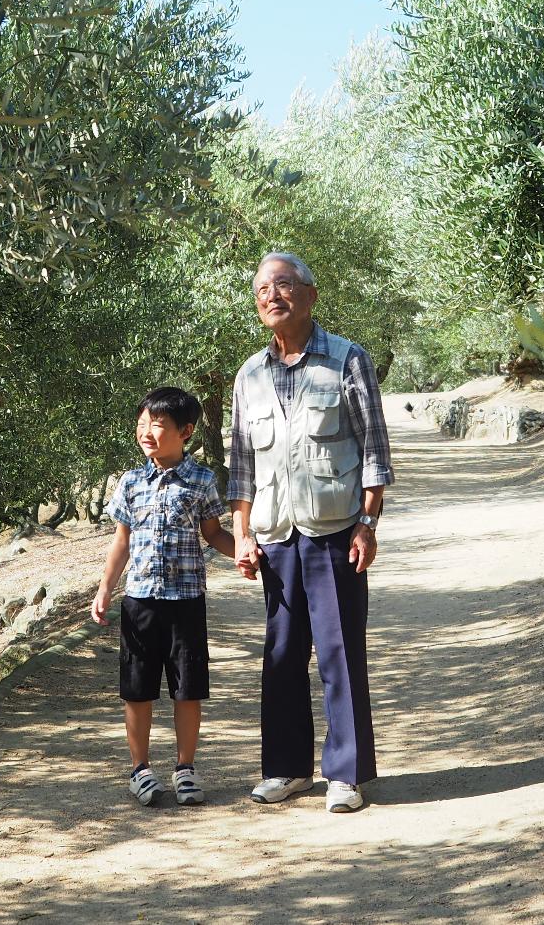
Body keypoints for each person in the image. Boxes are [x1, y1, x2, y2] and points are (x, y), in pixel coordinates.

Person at [226, 251, 392, 813]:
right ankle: (286, 768)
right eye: (263, 289)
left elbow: (374, 449)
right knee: (281, 652)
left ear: (310, 294)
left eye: (285, 285)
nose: (273, 295)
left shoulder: (348, 359)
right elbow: (242, 464)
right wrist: (242, 534)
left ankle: (346, 773)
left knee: (340, 652)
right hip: (275, 535)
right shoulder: (248, 375)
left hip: (335, 529)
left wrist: (368, 523)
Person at [91, 385, 236, 807]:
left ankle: (185, 768)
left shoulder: (202, 480)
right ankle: (139, 769)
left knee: (187, 688)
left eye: (157, 424)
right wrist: (105, 589)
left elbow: (213, 535)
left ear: (186, 431)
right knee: (137, 689)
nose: (146, 432)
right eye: (141, 424)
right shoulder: (132, 482)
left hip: (186, 602)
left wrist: (249, 555)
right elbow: (121, 542)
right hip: (139, 602)